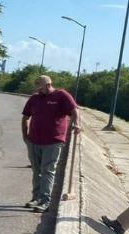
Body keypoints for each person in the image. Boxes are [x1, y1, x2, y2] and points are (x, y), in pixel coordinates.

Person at [21, 75, 80, 212]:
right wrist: (25, 136)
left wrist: (76, 123)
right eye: (38, 88)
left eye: (41, 88)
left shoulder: (61, 95)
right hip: (34, 141)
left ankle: (45, 200)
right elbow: (25, 117)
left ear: (48, 85)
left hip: (54, 141)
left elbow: (74, 110)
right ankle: (36, 197)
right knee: (36, 171)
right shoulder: (35, 98)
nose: (39, 91)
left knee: (47, 170)